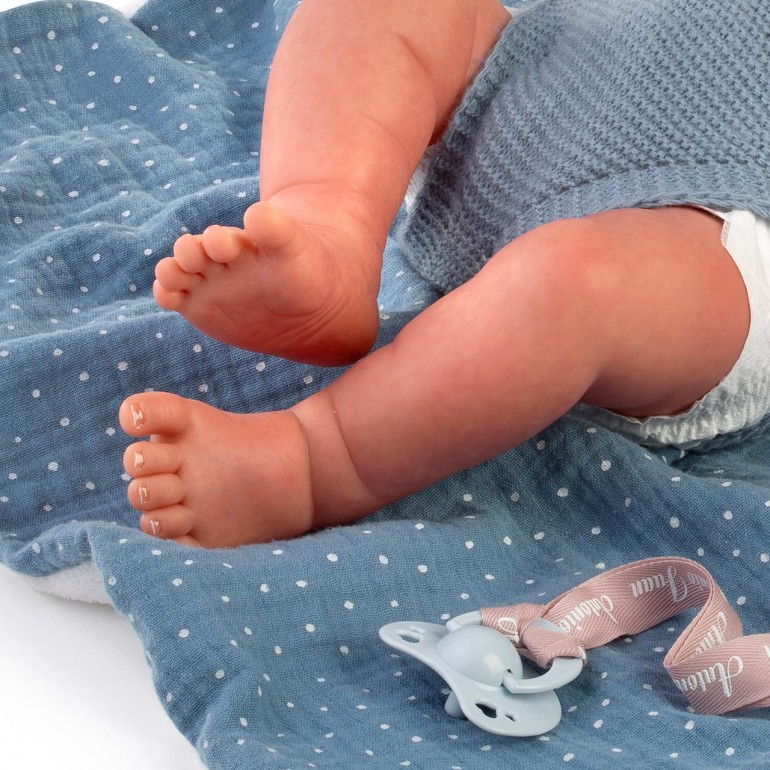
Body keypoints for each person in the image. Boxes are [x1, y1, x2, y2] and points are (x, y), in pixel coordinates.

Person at [118, 0, 770, 547]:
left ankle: (316, 459)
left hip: (714, 233)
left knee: (575, 284)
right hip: (540, 82)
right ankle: (328, 227)